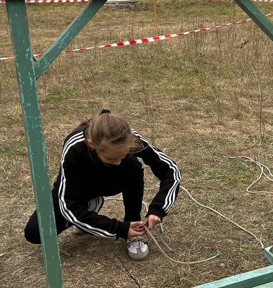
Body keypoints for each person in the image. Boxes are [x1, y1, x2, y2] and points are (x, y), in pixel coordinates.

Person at [23, 110, 182, 260]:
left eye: (123, 156)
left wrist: (158, 209)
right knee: (35, 233)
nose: (118, 162)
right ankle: (89, 207)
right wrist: (118, 229)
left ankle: (135, 226)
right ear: (92, 145)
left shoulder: (130, 138)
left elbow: (171, 171)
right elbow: (68, 205)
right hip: (79, 190)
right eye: (111, 159)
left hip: (112, 183)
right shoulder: (74, 148)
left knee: (132, 166)